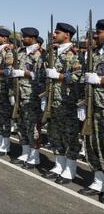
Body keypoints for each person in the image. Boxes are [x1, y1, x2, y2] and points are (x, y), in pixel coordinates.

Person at [41, 22, 82, 184]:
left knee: (70, 136)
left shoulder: (75, 54)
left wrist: (58, 76)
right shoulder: (52, 52)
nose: (53, 35)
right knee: (54, 133)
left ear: (67, 35)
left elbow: (78, 77)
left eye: (56, 32)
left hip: (68, 101)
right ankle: (59, 165)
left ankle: (70, 169)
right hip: (52, 100)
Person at [77, 19, 104, 202]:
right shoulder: (94, 53)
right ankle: (99, 180)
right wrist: (82, 103)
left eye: (100, 32)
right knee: (93, 145)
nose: (96, 34)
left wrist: (101, 80)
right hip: (92, 105)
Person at [9, 27, 43, 168]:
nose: (22, 39)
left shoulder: (40, 55)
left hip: (31, 96)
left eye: (24, 37)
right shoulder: (20, 52)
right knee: (20, 124)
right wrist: (12, 92)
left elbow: (41, 76)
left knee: (32, 126)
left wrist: (24, 73)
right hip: (18, 93)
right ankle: (25, 152)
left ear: (32, 38)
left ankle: (34, 156)